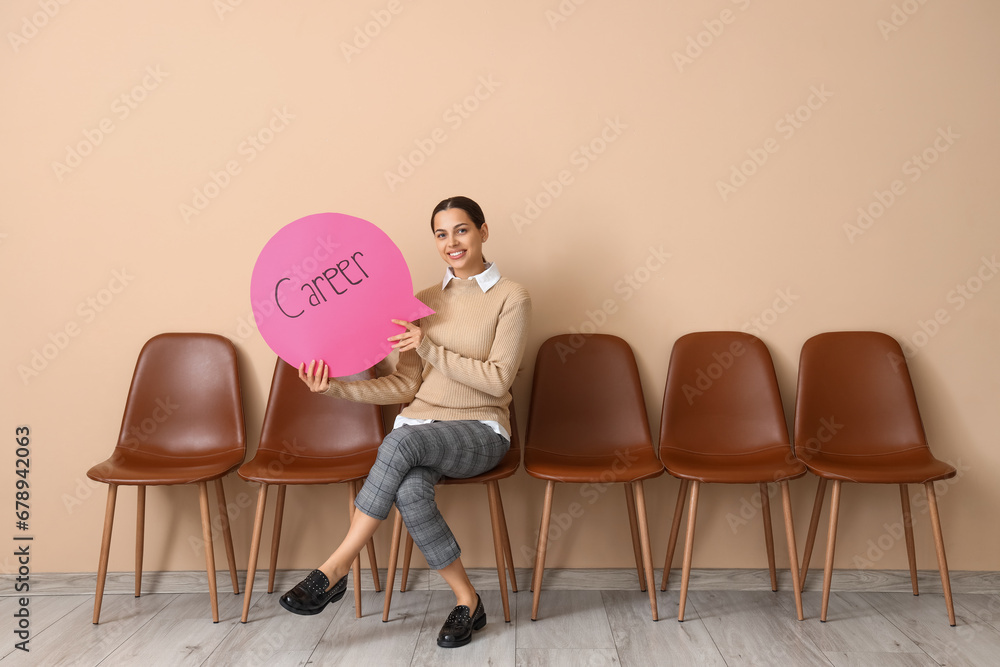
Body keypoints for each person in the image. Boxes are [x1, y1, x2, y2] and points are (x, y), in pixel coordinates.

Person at [282, 196, 531, 649]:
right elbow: (403, 386)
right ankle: (467, 600)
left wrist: (430, 345)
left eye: (461, 230)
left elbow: (497, 381)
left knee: (398, 445)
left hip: (480, 430)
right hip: (420, 431)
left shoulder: (512, 296)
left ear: (483, 231)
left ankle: (334, 568)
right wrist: (334, 387)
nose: (451, 242)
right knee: (411, 490)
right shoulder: (422, 301)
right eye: (441, 234)